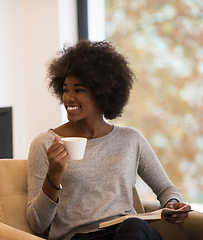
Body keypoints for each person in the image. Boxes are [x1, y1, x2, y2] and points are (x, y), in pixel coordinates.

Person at [27, 40, 191, 240]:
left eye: (78, 90)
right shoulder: (46, 144)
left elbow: (166, 189)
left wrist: (172, 204)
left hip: (129, 232)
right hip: (81, 237)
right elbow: (37, 224)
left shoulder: (131, 139)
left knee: (134, 226)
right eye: (65, 89)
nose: (68, 98)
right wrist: (54, 175)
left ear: (102, 93)